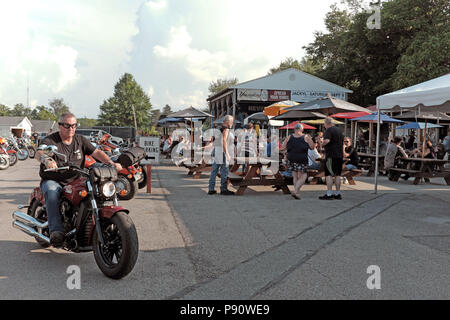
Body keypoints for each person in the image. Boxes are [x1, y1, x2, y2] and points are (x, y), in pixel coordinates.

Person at [36, 112, 122, 247]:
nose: (71, 128)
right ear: (60, 126)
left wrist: (110, 163)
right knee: (52, 193)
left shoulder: (80, 140)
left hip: (76, 178)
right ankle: (56, 231)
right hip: (54, 180)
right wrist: (46, 159)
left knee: (94, 191)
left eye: (74, 125)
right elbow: (39, 152)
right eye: (67, 125)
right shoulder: (51, 141)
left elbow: (97, 153)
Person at [283, 123, 315, 200]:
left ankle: (297, 193)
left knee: (295, 176)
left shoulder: (289, 137)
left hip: (291, 158)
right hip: (301, 158)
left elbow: (284, 147)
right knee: (303, 175)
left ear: (294, 129)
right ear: (302, 129)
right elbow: (312, 147)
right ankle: (295, 191)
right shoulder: (306, 137)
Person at [208, 115, 235, 195]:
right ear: (227, 122)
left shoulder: (219, 128)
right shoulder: (226, 129)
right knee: (224, 171)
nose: (232, 123)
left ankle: (211, 188)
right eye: (231, 121)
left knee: (214, 170)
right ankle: (223, 189)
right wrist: (227, 153)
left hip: (217, 151)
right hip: (222, 152)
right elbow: (224, 141)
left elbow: (213, 140)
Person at [319, 117, 344, 200]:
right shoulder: (339, 131)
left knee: (328, 174)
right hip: (339, 155)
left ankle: (329, 194)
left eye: (324, 124)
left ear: (327, 123)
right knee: (337, 175)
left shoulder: (329, 130)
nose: (324, 126)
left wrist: (321, 143)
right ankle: (338, 193)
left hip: (331, 155)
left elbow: (327, 141)